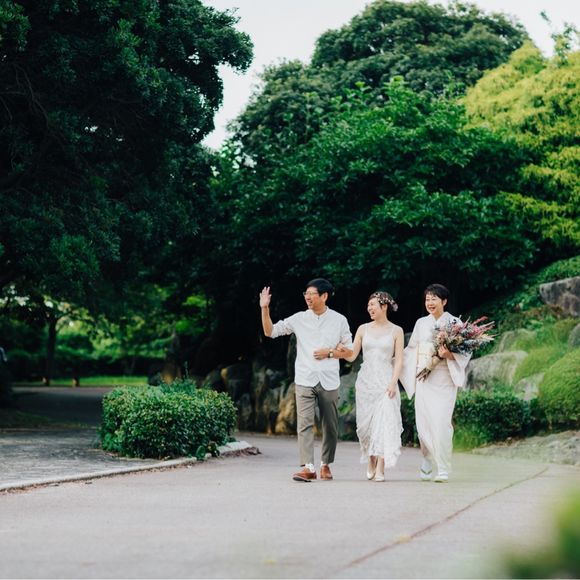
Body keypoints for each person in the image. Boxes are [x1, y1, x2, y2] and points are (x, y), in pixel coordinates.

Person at [260, 278, 353, 482]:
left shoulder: (339, 320)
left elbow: (350, 352)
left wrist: (330, 353)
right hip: (304, 378)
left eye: (312, 294)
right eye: (306, 294)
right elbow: (270, 331)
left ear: (324, 296)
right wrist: (264, 308)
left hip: (329, 379)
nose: (307, 297)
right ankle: (308, 467)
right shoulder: (299, 318)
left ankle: (325, 464)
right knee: (304, 423)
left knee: (330, 425)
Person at [400, 284, 471, 483]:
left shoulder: (455, 322)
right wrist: (398, 360)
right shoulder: (421, 323)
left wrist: (448, 354)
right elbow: (412, 349)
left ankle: (443, 468)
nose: (430, 303)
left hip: (444, 379)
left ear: (444, 301)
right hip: (425, 378)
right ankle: (427, 458)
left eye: (434, 299)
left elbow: (465, 351)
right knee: (424, 423)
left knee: (441, 422)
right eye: (427, 299)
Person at [339, 291, 404, 482]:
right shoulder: (362, 329)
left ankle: (381, 466)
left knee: (385, 422)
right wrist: (342, 352)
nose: (369, 308)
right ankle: (370, 458)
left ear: (384, 307)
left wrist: (393, 382)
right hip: (366, 382)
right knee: (365, 426)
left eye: (373, 305)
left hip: (385, 382)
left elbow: (399, 360)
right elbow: (352, 355)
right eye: (368, 305)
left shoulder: (397, 331)